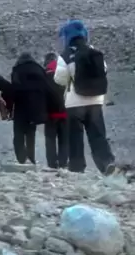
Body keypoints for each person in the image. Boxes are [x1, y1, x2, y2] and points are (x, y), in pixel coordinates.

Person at [55, 20, 115, 174]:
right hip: (95, 101)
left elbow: (59, 79)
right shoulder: (94, 51)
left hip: (74, 103)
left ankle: (77, 167)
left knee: (75, 137)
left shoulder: (66, 56)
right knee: (98, 135)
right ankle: (106, 163)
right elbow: (104, 70)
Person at [11, 52, 50, 164]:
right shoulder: (40, 70)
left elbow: (14, 88)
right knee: (30, 134)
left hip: (21, 107)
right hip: (36, 109)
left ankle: (21, 158)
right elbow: (46, 89)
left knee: (18, 133)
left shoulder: (17, 70)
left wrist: (10, 106)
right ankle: (31, 158)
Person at [43, 52, 69, 169]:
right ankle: (63, 162)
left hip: (50, 114)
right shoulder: (64, 73)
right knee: (64, 139)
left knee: (50, 139)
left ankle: (52, 164)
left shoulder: (44, 75)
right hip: (65, 112)